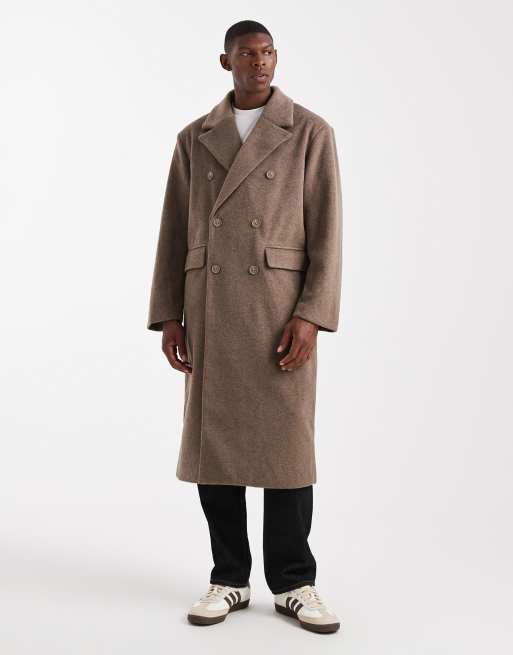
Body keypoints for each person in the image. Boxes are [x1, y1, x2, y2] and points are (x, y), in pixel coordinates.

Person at [147, 20, 343, 634]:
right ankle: (228, 576)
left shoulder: (309, 132)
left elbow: (328, 232)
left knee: (287, 450)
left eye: (267, 53)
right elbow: (174, 229)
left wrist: (311, 314)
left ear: (276, 59)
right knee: (217, 449)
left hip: (279, 312)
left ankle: (294, 582)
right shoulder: (194, 137)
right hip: (211, 308)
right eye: (247, 54)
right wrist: (168, 314)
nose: (259, 63)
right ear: (225, 61)